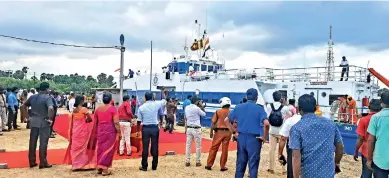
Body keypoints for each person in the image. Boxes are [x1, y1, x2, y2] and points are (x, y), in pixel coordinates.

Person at [289, 94, 344, 178]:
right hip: (328, 173)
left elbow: (296, 156)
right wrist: (336, 163)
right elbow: (340, 146)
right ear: (315, 108)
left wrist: (295, 176)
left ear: (299, 109)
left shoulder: (296, 128)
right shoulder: (330, 124)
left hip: (308, 174)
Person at [224, 88, 269, 178]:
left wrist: (234, 132)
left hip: (241, 137)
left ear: (246, 96)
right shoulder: (259, 109)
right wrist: (264, 137)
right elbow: (267, 124)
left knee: (240, 165)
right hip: (254, 140)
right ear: (256, 98)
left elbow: (226, 120)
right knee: (253, 166)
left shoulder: (238, 107)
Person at [24, 82, 55, 169]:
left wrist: (27, 117)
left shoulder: (33, 97)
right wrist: (50, 119)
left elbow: (23, 106)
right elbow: (51, 108)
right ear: (46, 89)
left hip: (33, 121)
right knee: (43, 142)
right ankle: (43, 162)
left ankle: (32, 161)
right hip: (43, 121)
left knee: (32, 142)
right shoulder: (47, 97)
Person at [136, 89, 167, 171]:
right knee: (155, 146)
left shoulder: (141, 107)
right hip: (154, 128)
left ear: (145, 98)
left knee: (145, 147)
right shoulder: (157, 104)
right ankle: (154, 166)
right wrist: (163, 92)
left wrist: (137, 131)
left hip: (145, 128)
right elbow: (164, 102)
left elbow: (139, 121)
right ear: (153, 97)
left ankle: (144, 166)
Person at [64, 95, 96, 171]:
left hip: (75, 131)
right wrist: (85, 121)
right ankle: (83, 165)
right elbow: (90, 119)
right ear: (81, 101)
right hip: (82, 132)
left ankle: (75, 165)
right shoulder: (84, 109)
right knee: (83, 148)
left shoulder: (74, 110)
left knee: (75, 148)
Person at [94, 93, 121, 176]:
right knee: (108, 149)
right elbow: (116, 122)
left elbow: (95, 122)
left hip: (100, 131)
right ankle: (105, 169)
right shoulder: (113, 109)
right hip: (110, 131)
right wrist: (119, 132)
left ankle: (99, 167)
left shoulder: (98, 109)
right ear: (110, 99)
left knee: (101, 149)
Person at [354, 99, 382, 178]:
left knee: (366, 174)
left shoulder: (363, 120)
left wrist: (356, 151)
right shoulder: (382, 120)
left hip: (366, 152)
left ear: (369, 107)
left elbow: (360, 138)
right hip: (380, 153)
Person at [266, 91, 291, 174]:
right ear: (281, 98)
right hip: (281, 131)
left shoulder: (269, 106)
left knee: (271, 150)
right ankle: (284, 169)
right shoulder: (285, 107)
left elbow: (267, 116)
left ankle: (271, 168)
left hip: (272, 131)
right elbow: (290, 114)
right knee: (281, 151)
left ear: (273, 98)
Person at [205, 97, 232, 171]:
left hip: (218, 132)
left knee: (214, 148)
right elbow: (233, 123)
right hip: (228, 132)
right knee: (225, 150)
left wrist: (211, 132)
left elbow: (213, 123)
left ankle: (209, 164)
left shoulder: (218, 112)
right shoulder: (231, 112)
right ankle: (222, 166)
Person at [366, 91, 389, 177]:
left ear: (382, 103)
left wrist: (369, 159)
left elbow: (371, 141)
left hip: (380, 160)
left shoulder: (376, 117)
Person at [278, 111, 302, 178]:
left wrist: (280, 153)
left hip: (293, 147)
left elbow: (283, 138)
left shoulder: (290, 120)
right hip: (309, 147)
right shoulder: (315, 121)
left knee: (292, 168)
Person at [184, 95, 206, 167]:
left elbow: (186, 117)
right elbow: (204, 114)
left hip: (189, 128)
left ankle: (187, 161)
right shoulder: (197, 108)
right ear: (197, 101)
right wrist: (201, 106)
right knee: (198, 146)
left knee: (188, 145)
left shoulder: (187, 107)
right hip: (196, 128)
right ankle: (198, 161)